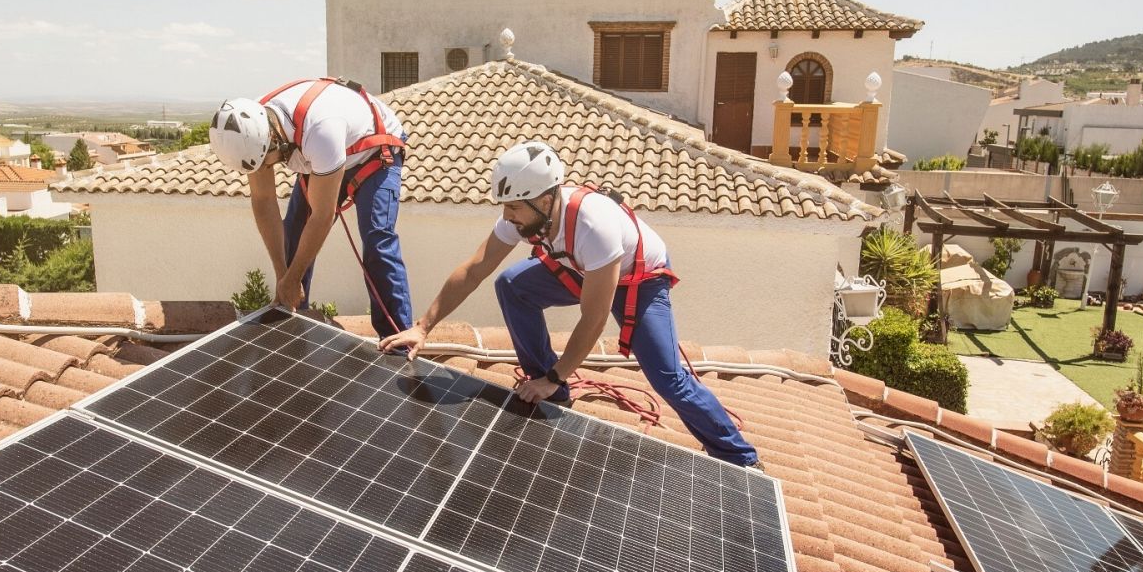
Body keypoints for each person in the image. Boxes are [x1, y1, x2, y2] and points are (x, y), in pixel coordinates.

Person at [379, 141, 760, 467]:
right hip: (580, 268)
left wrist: (557, 374)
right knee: (511, 285)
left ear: (546, 199)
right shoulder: (525, 214)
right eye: (505, 208)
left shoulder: (594, 225)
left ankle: (740, 458)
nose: (506, 217)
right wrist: (423, 326)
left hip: (638, 280)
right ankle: (549, 388)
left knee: (667, 377)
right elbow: (476, 267)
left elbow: (594, 319)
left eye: (514, 209)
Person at [210, 78, 413, 338]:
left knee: (376, 239)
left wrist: (293, 278)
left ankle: (398, 338)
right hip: (323, 155)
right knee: (294, 234)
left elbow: (322, 216)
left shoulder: (321, 131)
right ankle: (292, 320)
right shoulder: (252, 131)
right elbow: (263, 202)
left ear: (274, 139)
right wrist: (283, 275)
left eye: (266, 163)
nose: (264, 169)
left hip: (373, 153)